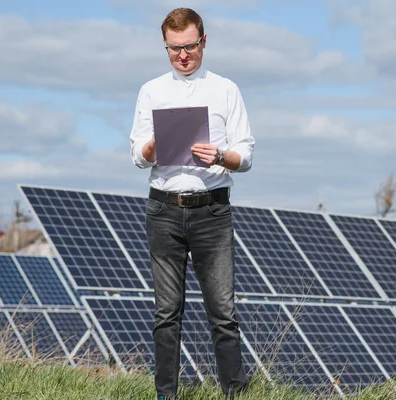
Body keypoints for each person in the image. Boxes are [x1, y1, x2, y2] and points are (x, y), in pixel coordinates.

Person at [129, 7, 254, 400]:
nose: (183, 56)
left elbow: (246, 155)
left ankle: (233, 392)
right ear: (165, 46)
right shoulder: (151, 91)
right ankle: (166, 394)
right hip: (163, 210)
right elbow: (137, 153)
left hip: (212, 211)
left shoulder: (226, 89)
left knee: (223, 313)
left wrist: (218, 156)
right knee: (167, 313)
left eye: (190, 47)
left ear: (204, 41)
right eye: (173, 49)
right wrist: (154, 145)